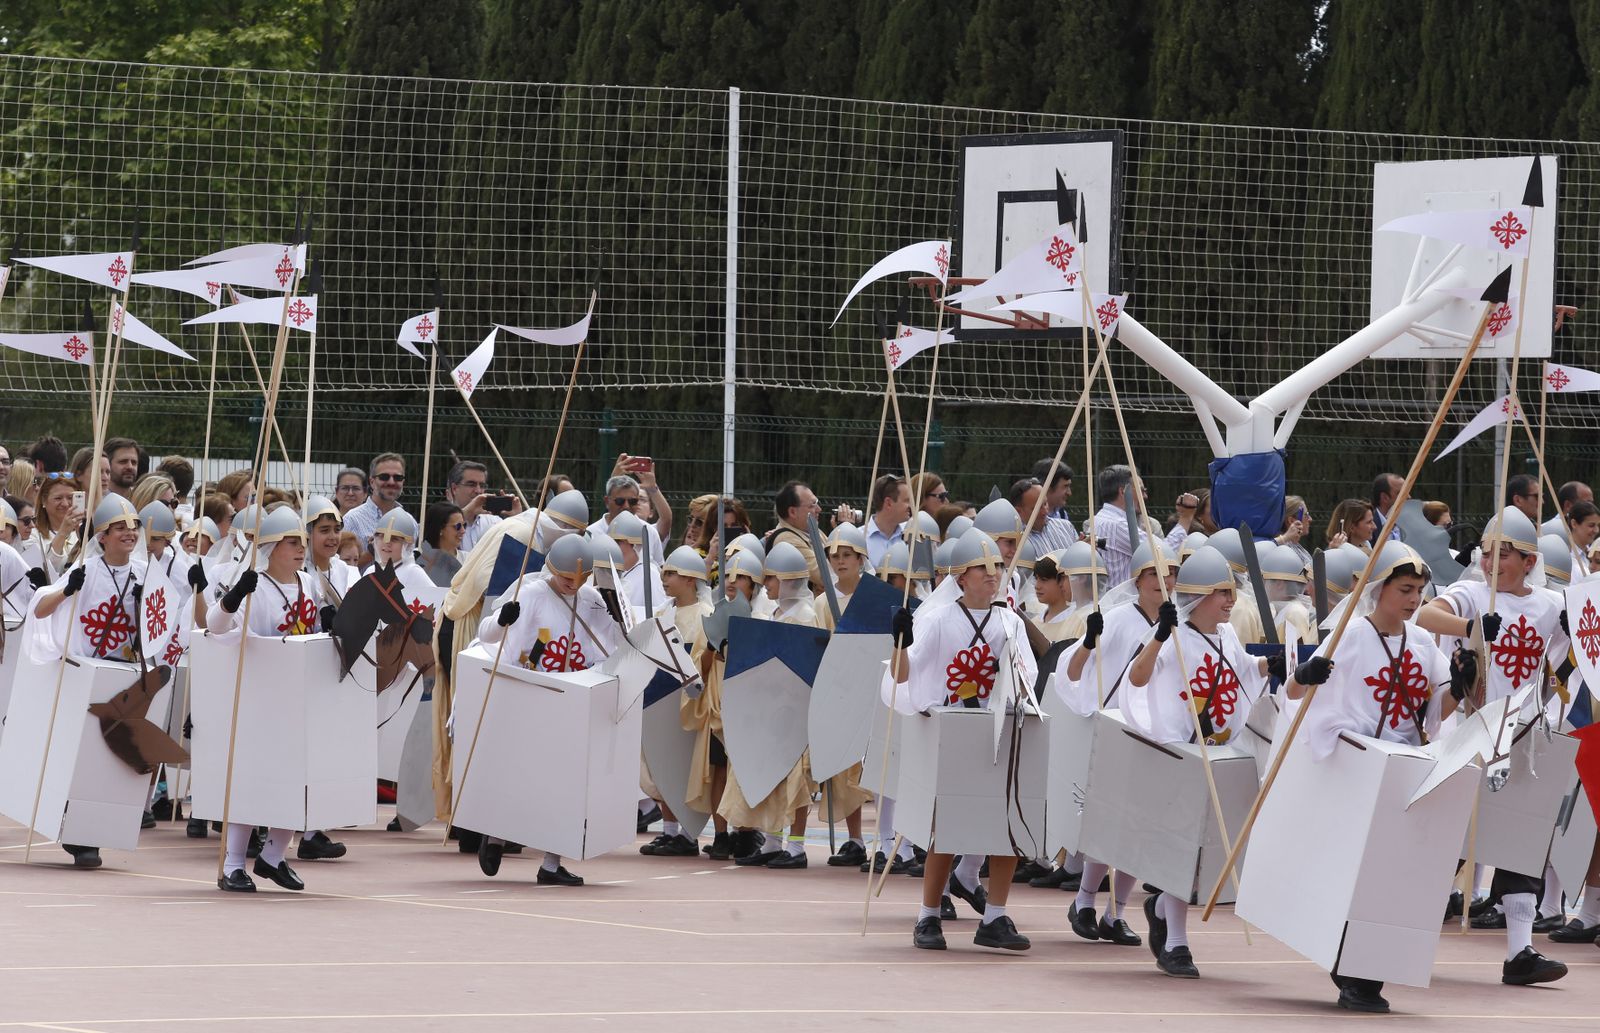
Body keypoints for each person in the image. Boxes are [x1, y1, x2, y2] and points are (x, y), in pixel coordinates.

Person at [1280, 541, 1465, 1013]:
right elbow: (1295, 690)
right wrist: (1307, 671)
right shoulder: (1349, 634)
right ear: (1380, 589)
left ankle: (1367, 970)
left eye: (1420, 591)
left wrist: (1459, 687)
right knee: (1352, 871)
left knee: (1389, 875)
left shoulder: (1423, 644)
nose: (1413, 599)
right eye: (1404, 589)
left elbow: (1433, 714)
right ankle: (1350, 968)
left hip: (1399, 766)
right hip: (1352, 764)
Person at [1415, 506, 1570, 986]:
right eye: (1486, 553)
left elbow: (1578, 651)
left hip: (1524, 734)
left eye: (1504, 554)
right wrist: (1472, 629)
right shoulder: (1470, 594)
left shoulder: (1549, 604)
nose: (1491, 562)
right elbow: (1426, 613)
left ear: (1528, 560)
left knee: (1519, 843)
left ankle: (1520, 952)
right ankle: (1406, 932)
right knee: (1451, 842)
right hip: (1476, 730)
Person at [1124, 545, 1272, 978]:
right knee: (1180, 844)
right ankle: (1176, 943)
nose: (1230, 600)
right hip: (1181, 753)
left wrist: (1272, 665)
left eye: (1231, 592)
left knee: (1204, 847)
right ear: (1198, 596)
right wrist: (1159, 636)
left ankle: (1163, 912)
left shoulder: (1226, 636)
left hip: (1219, 751)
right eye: (1221, 592)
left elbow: (1244, 671)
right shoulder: (1174, 637)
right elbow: (1137, 677)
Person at [889, 530, 1038, 953]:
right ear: (961, 577)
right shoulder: (937, 620)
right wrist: (899, 640)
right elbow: (904, 676)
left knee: (1009, 823)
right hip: (952, 732)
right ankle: (928, 915)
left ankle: (995, 916)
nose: (993, 575)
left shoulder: (1010, 621)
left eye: (996, 568)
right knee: (946, 826)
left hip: (1000, 732)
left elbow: (1026, 674)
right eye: (982, 568)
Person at [474, 533, 617, 887]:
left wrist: (617, 620)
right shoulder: (532, 591)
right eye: (568, 578)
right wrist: (503, 618)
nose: (574, 585)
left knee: (566, 783)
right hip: (528, 693)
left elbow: (608, 648)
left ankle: (551, 864)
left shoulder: (592, 599)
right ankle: (493, 835)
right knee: (518, 774)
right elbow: (487, 632)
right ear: (552, 569)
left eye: (580, 580)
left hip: (571, 699)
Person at [1055, 540, 1179, 943]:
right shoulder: (1118, 619)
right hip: (1116, 729)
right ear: (1137, 579)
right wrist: (1089, 641)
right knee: (1111, 824)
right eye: (1154, 576)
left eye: (1171, 574)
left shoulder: (1179, 623)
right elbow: (1072, 671)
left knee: (1140, 828)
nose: (1163, 583)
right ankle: (1085, 900)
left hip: (1155, 733)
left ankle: (1117, 913)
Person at [205, 505, 329, 892]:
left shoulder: (311, 583)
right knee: (253, 781)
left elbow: (316, 625)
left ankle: (274, 856)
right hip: (261, 697)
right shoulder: (254, 585)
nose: (300, 549)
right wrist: (234, 597)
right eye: (292, 542)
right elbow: (215, 627)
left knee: (297, 779)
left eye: (301, 542)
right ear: (272, 546)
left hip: (300, 695)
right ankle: (233, 863)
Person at [28, 495, 150, 868]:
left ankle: (97, 831)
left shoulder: (145, 573)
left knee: (115, 759)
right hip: (90, 672)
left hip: (125, 674)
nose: (128, 533)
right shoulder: (86, 568)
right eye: (119, 527)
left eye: (133, 527)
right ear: (102, 536)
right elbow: (40, 608)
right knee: (85, 759)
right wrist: (67, 589)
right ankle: (79, 836)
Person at [1090, 465, 1197, 587]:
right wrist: (1186, 518)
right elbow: (1162, 555)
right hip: (1123, 601)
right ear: (1123, 492)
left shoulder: (1100, 519)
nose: (1145, 496)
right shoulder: (1117, 525)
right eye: (1141, 490)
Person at [589, 459, 671, 565]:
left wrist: (653, 488)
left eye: (633, 501)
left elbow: (659, 570)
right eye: (620, 501)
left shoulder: (649, 532)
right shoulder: (591, 534)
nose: (626, 506)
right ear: (607, 501)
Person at [443, 460, 522, 554]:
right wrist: (465, 514)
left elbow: (516, 553)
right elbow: (429, 555)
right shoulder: (438, 520)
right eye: (471, 484)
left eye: (482, 485)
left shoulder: (494, 523)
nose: (478, 490)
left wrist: (517, 520)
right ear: (454, 489)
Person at [342, 453, 407, 565]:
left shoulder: (409, 522)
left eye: (397, 477)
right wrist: (372, 552)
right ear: (372, 482)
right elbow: (339, 568)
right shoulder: (352, 520)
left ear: (403, 482)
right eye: (384, 477)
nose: (391, 482)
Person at [761, 480, 825, 592]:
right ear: (792, 512)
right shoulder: (786, 540)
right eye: (812, 505)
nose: (819, 509)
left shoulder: (813, 531)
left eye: (817, 503)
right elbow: (825, 576)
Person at [1028, 459, 1079, 549]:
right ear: (1048, 486)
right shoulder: (1027, 518)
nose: (1069, 493)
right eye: (1065, 487)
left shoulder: (1063, 515)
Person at [864, 474, 909, 569]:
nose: (911, 505)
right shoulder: (860, 539)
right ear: (888, 503)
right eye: (907, 500)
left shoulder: (912, 536)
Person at [421, 501, 465, 587]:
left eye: (464, 525)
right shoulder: (418, 557)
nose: (463, 531)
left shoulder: (468, 559)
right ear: (440, 528)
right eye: (458, 526)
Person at [1275, 495, 1312, 567]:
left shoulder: (1292, 545)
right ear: (1291, 520)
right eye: (1306, 515)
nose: (1310, 519)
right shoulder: (1284, 551)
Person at [1370, 472, 1403, 543]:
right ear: (1385, 497)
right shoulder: (1368, 526)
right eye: (1401, 493)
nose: (1409, 497)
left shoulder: (1409, 524)